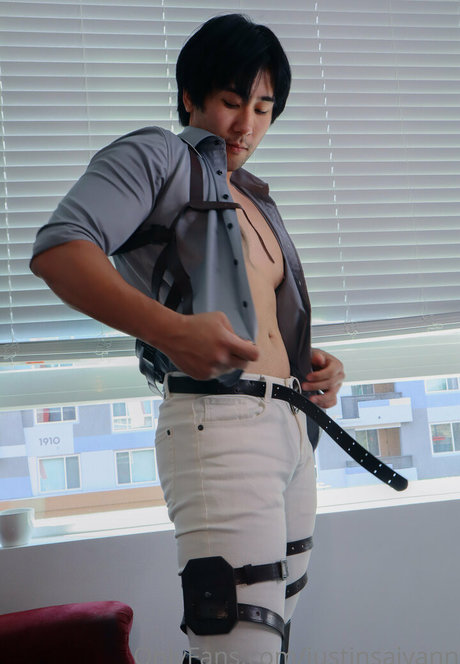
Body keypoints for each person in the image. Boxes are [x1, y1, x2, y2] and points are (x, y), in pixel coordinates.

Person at [30, 14, 344, 664]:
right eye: (231, 101)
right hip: (220, 425)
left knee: (270, 643)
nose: (246, 126)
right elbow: (61, 249)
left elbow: (257, 316)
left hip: (292, 430)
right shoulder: (157, 156)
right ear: (190, 97)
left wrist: (311, 366)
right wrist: (172, 332)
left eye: (263, 108)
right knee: (236, 645)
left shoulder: (253, 197)